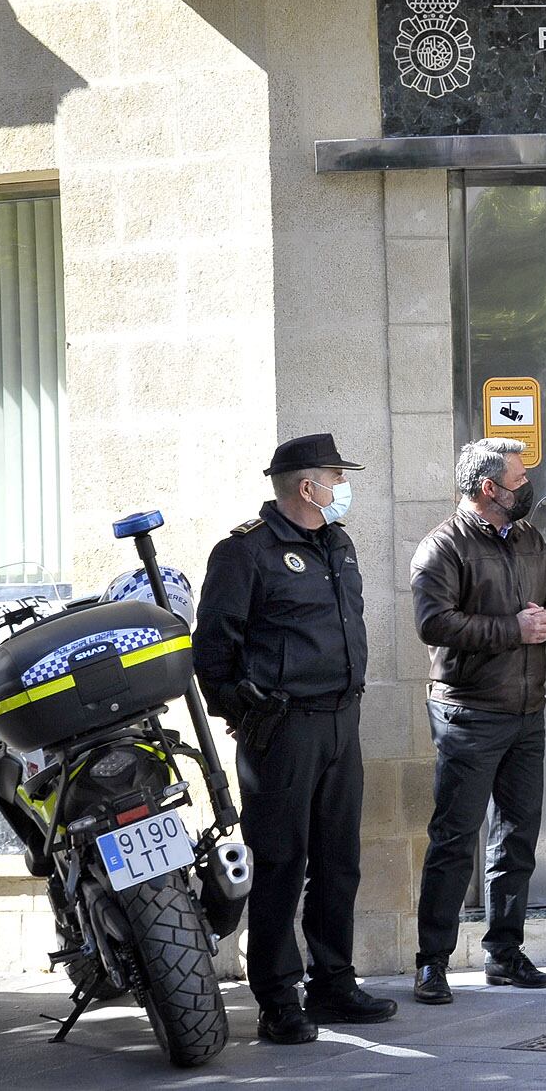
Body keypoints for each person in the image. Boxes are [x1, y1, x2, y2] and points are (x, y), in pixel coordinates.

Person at [193, 433, 397, 1044]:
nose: (342, 487)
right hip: (282, 730)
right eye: (336, 477)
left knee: (339, 863)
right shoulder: (244, 554)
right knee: (281, 863)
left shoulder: (338, 543)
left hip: (341, 721)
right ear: (307, 487)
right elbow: (213, 647)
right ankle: (278, 996)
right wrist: (240, 709)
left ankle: (333, 981)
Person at [410, 437, 546, 1004]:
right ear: (488, 490)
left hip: (527, 711)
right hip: (469, 713)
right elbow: (434, 623)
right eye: (517, 481)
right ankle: (431, 960)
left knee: (517, 836)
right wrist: (515, 629)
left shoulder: (529, 537)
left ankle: (504, 951)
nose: (526, 488)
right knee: (455, 839)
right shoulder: (442, 547)